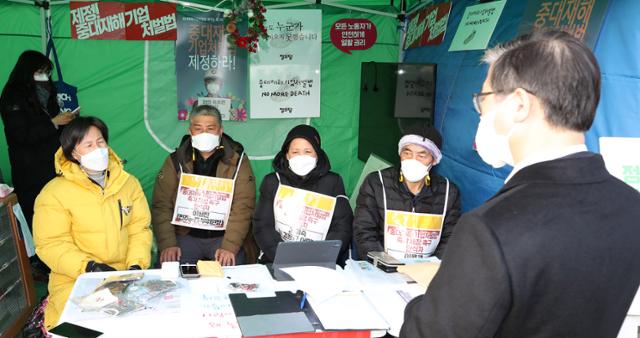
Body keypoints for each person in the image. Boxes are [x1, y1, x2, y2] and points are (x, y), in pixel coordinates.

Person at [401, 31, 640, 338]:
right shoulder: (631, 207)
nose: (481, 113)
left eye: (483, 99)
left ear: (518, 104)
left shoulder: (490, 228)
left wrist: (428, 301)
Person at [33, 116, 152, 329]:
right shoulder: (53, 193)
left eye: (101, 142)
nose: (98, 149)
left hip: (124, 276)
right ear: (73, 154)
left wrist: (135, 265)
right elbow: (50, 244)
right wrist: (89, 267)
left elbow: (139, 229)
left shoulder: (129, 183)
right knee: (86, 327)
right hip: (75, 279)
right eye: (88, 145)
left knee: (142, 324)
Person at [152, 105, 257, 266]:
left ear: (220, 131)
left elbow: (243, 206)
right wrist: (168, 244)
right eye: (198, 128)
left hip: (223, 237)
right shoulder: (175, 160)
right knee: (168, 270)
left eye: (210, 128)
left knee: (236, 277)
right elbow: (161, 205)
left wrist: (230, 246)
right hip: (185, 237)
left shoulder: (238, 161)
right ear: (190, 131)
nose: (204, 133)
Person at [353, 127, 461, 260]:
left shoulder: (448, 192)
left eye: (421, 155)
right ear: (400, 154)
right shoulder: (376, 183)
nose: (413, 160)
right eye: (407, 153)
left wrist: (429, 268)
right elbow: (364, 230)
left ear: (434, 160)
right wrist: (385, 265)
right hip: (383, 271)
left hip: (426, 272)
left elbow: (450, 237)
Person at [253, 124, 353, 266]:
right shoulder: (273, 181)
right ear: (287, 155)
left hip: (320, 261)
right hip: (277, 258)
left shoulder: (333, 182)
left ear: (317, 154)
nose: (301, 157)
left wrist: (323, 256)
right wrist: (282, 256)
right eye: (295, 152)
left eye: (308, 151)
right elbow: (262, 225)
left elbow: (342, 225)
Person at [0, 50, 76, 232]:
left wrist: (66, 121)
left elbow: (53, 126)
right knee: (38, 218)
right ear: (28, 71)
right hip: (30, 170)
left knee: (60, 216)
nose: (44, 76)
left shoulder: (47, 93)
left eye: (47, 72)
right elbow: (20, 135)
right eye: (40, 71)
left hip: (54, 164)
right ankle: (39, 258)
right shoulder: (12, 96)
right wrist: (53, 123)